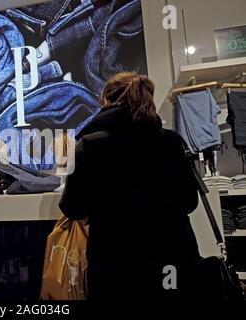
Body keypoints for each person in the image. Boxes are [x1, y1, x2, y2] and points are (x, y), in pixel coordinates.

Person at [59, 72, 201, 303]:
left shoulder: (88, 145)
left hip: (115, 262)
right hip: (171, 256)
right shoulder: (173, 141)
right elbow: (189, 202)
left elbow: (73, 208)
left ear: (106, 101)